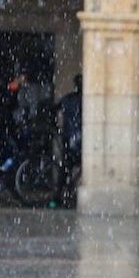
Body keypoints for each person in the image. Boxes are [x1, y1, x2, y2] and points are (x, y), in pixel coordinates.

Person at [56, 74, 83, 204]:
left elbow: (54, 109)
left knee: (66, 168)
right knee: (71, 166)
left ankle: (59, 195)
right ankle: (65, 193)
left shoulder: (68, 99)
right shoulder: (83, 99)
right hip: (78, 138)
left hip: (69, 137)